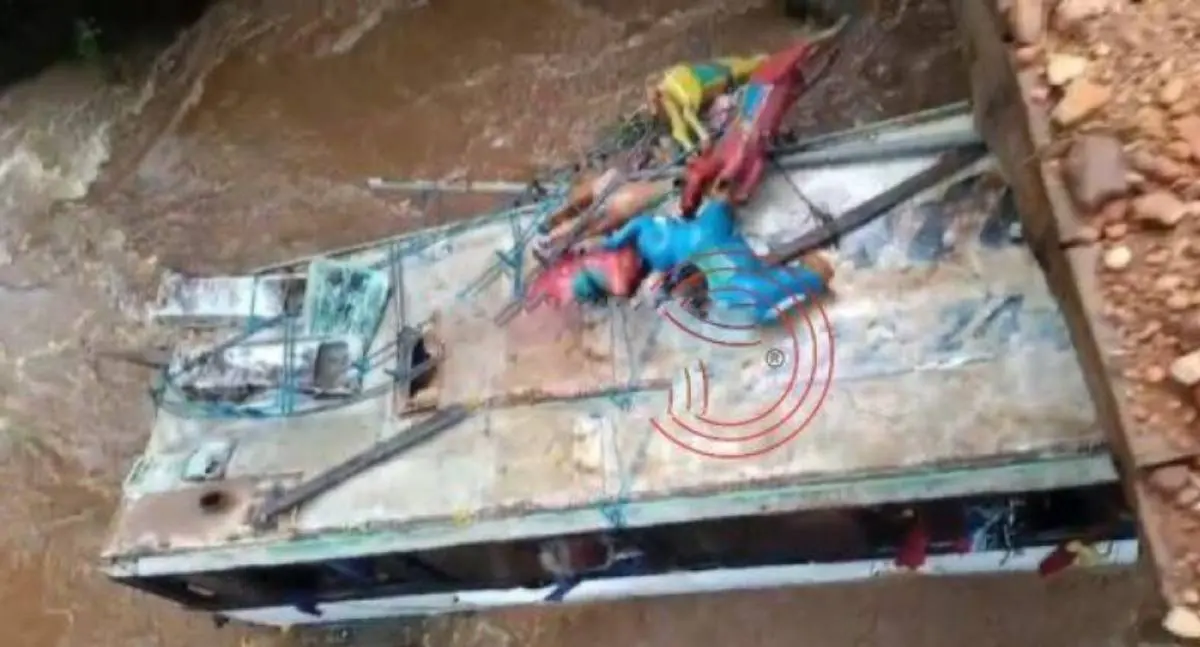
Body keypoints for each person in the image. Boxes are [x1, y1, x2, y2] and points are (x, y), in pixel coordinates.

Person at [646, 54, 767, 154]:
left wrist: (703, 136)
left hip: (711, 77)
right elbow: (678, 124)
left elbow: (688, 109)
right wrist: (689, 148)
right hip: (704, 87)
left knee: (740, 68)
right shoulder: (666, 98)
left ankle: (762, 61)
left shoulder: (674, 83)